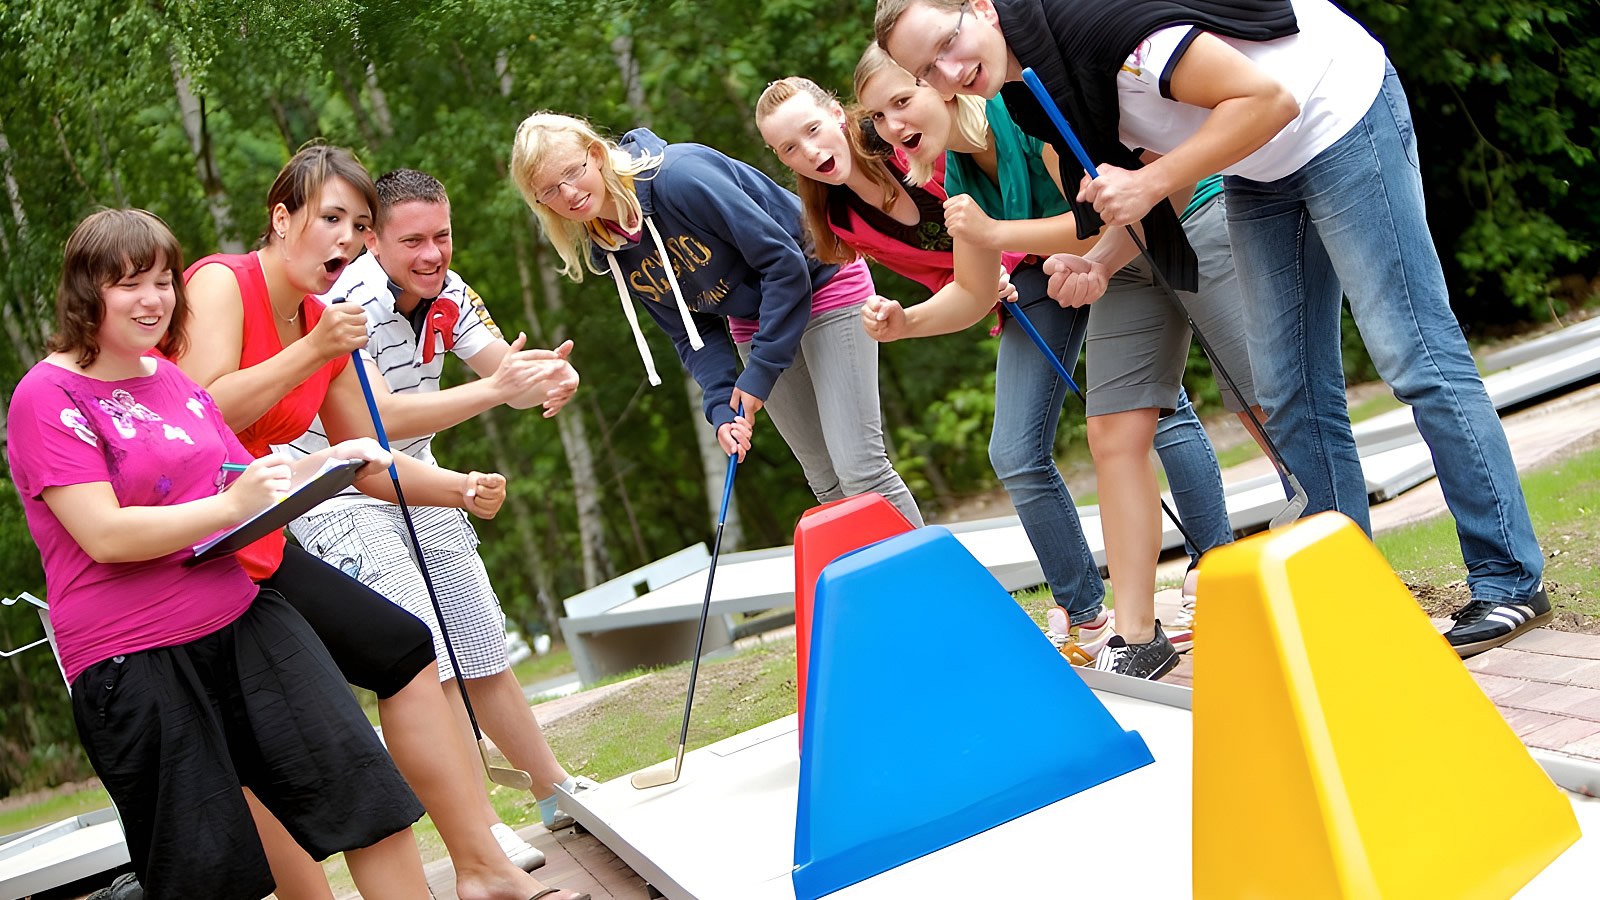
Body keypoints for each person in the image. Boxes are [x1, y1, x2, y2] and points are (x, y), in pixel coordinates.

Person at [876, 0, 1548, 658]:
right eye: (923, 72)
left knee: (1412, 352)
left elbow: (1268, 100)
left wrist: (1146, 184)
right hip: (1256, 164)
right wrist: (1103, 261)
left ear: (981, 9)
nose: (945, 72)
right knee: (1287, 393)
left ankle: (1508, 580)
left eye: (945, 43)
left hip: (1334, 108)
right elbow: (1146, 179)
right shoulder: (1030, 90)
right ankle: (1354, 597)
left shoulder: (1095, 23)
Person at [176, 145, 588, 900]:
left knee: (413, 647)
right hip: (202, 544)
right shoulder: (226, 285)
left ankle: (486, 860)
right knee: (280, 742)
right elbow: (200, 415)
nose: (344, 236)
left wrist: (456, 485)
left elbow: (364, 443)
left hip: (264, 533)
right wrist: (313, 352)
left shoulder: (323, 314)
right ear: (281, 218)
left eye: (354, 222)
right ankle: (462, 855)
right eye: (331, 218)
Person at [6, 207, 429, 900]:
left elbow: (243, 482)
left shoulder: (169, 381)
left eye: (164, 281)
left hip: (242, 618)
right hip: (133, 660)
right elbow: (105, 534)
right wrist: (232, 507)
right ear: (87, 292)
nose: (153, 300)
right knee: (207, 875)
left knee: (364, 796)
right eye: (129, 284)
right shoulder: (45, 397)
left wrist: (335, 462)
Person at [828, 48, 1268, 678]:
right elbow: (975, 292)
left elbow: (1094, 219)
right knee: (1114, 430)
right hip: (1116, 263)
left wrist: (997, 235)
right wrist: (908, 323)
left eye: (903, 102)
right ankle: (1138, 634)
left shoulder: (1021, 112)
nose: (893, 128)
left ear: (939, 84)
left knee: (1258, 401)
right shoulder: (959, 175)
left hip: (1184, 212)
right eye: (879, 116)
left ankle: (1323, 557)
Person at [282, 167, 592, 832]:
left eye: (442, 237)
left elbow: (500, 369)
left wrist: (551, 378)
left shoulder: (451, 291)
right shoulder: (347, 301)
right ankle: (478, 832)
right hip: (337, 487)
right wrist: (498, 392)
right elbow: (379, 420)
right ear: (374, 243)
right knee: (426, 662)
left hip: (418, 478)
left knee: (480, 643)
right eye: (413, 241)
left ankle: (555, 790)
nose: (432, 255)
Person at [509, 112, 924, 527]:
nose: (568, 193)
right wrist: (721, 406)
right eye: (549, 191)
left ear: (596, 155)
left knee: (860, 469)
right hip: (754, 317)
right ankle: (877, 591)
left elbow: (784, 263)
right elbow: (691, 333)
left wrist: (759, 371)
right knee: (826, 482)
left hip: (822, 282)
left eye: (572, 172)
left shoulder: (680, 178)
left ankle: (933, 588)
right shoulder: (610, 243)